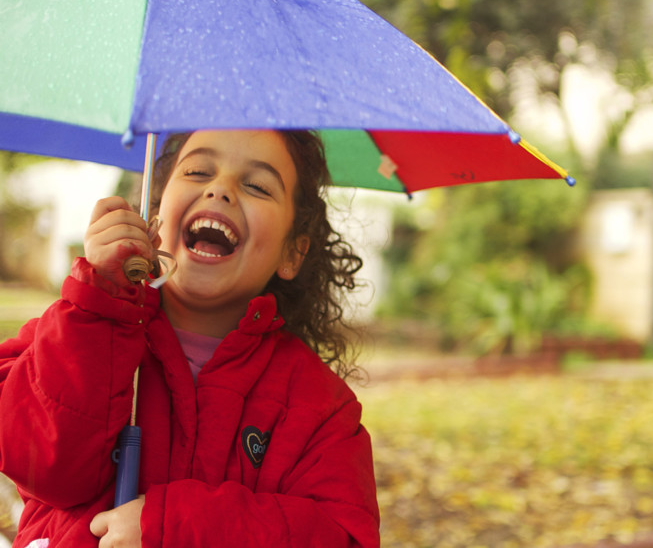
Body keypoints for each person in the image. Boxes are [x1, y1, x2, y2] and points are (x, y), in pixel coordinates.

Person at [0, 129, 380, 547]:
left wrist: (170, 529)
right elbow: (44, 468)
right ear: (155, 213)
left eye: (256, 185)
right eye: (198, 171)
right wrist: (101, 308)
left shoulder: (322, 408)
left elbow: (342, 535)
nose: (220, 190)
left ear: (293, 252)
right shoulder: (75, 323)